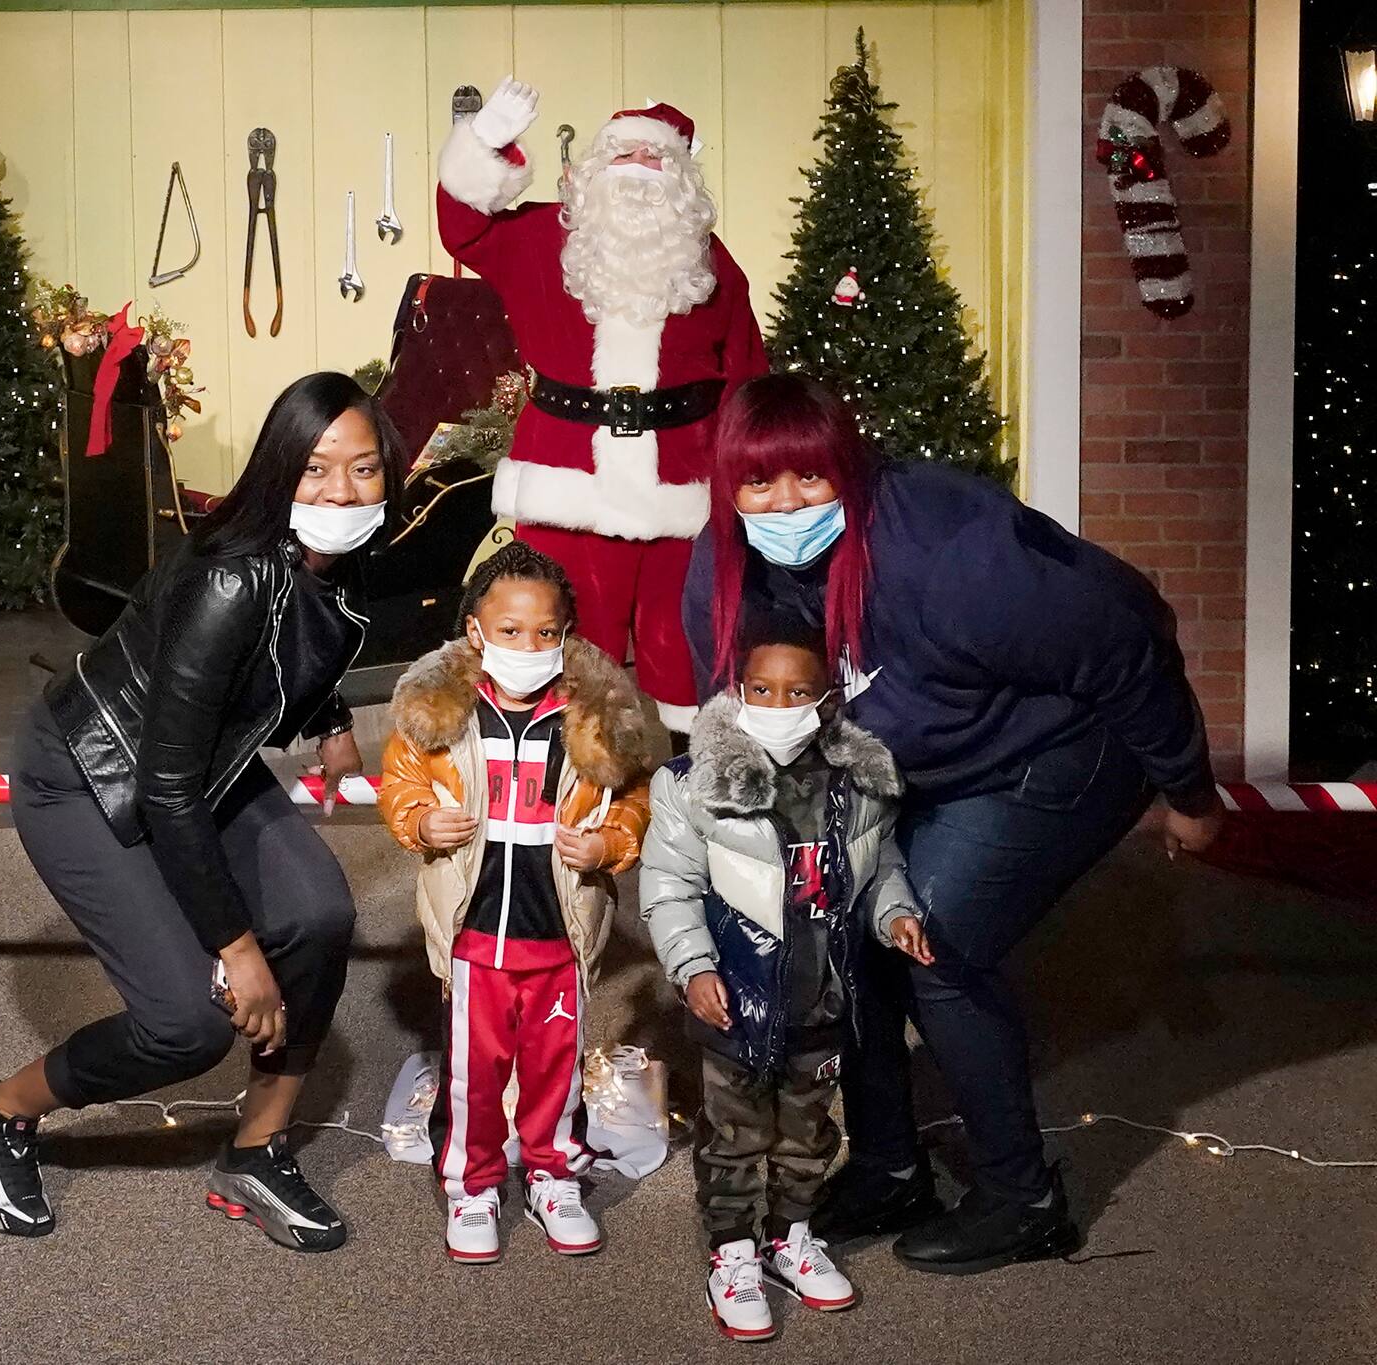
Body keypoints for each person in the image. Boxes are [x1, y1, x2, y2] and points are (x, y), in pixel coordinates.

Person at [683, 373, 1224, 1275]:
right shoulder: (724, 569)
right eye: (760, 484)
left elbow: (1127, 640)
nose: (785, 504)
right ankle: (894, 1168)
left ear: (847, 470)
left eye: (810, 479)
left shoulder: (951, 550)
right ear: (729, 489)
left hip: (1057, 746)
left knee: (933, 935)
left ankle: (1025, 1198)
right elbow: (746, 722)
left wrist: (1190, 789)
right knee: (842, 926)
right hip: (913, 766)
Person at [0, 372, 401, 1253]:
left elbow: (294, 648)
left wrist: (332, 718)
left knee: (317, 915)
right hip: (89, 769)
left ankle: (257, 1149)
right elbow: (166, 788)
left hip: (197, 756)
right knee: (186, 1022)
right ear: (278, 473)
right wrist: (237, 949)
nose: (342, 492)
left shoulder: (343, 559)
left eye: (364, 469)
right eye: (315, 470)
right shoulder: (231, 580)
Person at [436, 76, 768, 735]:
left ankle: (689, 779)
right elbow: (464, 231)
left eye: (657, 159)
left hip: (683, 484)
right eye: (625, 155)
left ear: (682, 182)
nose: (640, 171)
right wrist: (482, 141)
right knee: (568, 644)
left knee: (686, 644)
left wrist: (745, 482)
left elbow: (747, 378)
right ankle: (562, 781)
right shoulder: (538, 238)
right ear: (593, 170)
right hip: (568, 480)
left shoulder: (712, 267)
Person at [641, 612, 933, 1341]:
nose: (778, 706)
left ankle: (790, 1236)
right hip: (734, 1001)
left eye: (797, 690)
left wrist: (895, 915)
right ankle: (733, 1252)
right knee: (735, 1132)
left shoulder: (860, 785)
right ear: (737, 690)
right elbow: (669, 886)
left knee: (807, 1130)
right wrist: (693, 965)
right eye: (762, 690)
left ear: (828, 695)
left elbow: (881, 867)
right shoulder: (691, 786)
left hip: (823, 997)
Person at [376, 542, 652, 1264]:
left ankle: (554, 1173)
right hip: (473, 937)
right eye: (509, 631)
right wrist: (418, 821)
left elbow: (632, 797)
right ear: (475, 632)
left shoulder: (595, 718)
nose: (528, 646)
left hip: (560, 931)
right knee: (473, 1070)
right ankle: (473, 1181)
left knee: (555, 1065)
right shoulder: (445, 714)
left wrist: (611, 844)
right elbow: (400, 779)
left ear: (566, 635)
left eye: (545, 633)